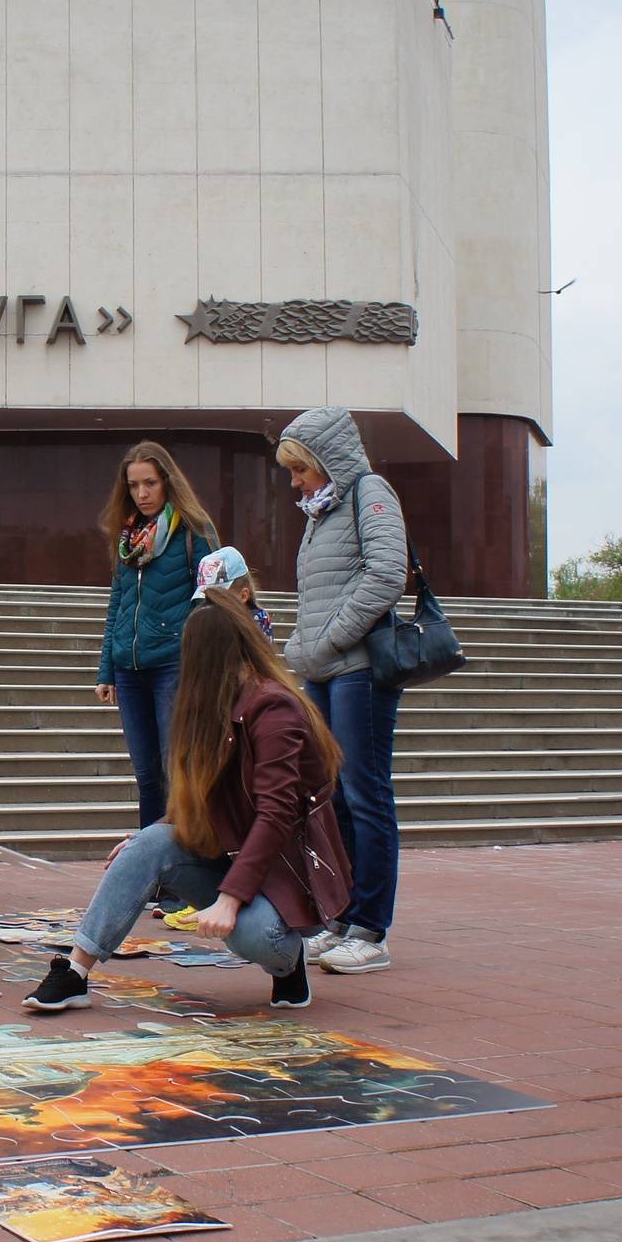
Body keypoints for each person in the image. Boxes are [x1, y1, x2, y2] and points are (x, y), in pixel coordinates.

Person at [27, 597, 347, 1014]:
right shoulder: (212, 707)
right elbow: (203, 796)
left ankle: (288, 966)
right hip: (235, 855)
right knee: (149, 842)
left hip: (284, 877)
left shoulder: (272, 707)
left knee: (252, 935)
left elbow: (277, 813)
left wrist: (230, 899)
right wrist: (146, 843)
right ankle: (75, 972)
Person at [275, 408, 407, 978]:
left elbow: (386, 575)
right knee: (334, 796)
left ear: (327, 460)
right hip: (328, 669)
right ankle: (342, 917)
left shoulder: (370, 492)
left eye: (300, 469)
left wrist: (326, 641)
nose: (296, 481)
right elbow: (319, 593)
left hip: (359, 670)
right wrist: (309, 650)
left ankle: (371, 928)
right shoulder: (320, 513)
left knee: (366, 792)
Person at [93, 441, 218, 826]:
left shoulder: (194, 531)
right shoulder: (128, 535)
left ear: (167, 482)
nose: (142, 493)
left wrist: (190, 650)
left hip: (173, 666)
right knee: (147, 775)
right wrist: (107, 669)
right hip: (129, 669)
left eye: (149, 483)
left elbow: (211, 598)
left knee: (176, 769)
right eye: (133, 485)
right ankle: (152, 865)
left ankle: (186, 857)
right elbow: (118, 604)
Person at [196, 546, 273, 639]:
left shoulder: (257, 622)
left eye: (220, 599)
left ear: (243, 596)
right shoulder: (200, 622)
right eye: (207, 599)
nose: (211, 606)